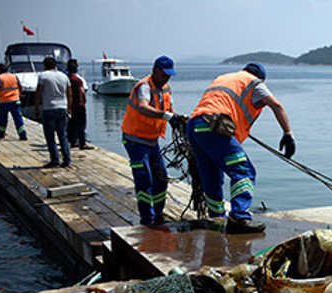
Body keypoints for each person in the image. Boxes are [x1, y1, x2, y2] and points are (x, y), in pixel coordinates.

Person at [186, 62, 295, 233]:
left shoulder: (224, 78)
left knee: (212, 176)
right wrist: (288, 134)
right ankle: (238, 217)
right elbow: (277, 105)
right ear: (261, 78)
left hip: (195, 127)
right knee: (244, 171)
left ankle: (216, 218)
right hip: (214, 127)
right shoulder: (255, 83)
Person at [120, 56, 181, 225]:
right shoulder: (144, 87)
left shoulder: (166, 88)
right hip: (135, 140)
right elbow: (143, 106)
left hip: (152, 141)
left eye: (169, 75)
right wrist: (165, 116)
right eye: (163, 75)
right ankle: (147, 218)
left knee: (161, 178)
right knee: (144, 179)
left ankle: (159, 213)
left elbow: (169, 109)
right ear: (155, 71)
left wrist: (178, 118)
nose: (166, 78)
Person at [35, 57, 72, 167]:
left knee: (50, 136)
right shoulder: (64, 76)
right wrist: (69, 108)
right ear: (55, 65)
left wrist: (36, 107)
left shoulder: (43, 76)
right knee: (63, 135)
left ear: (45, 65)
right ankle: (67, 159)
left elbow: (38, 93)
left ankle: (55, 160)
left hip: (49, 108)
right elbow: (69, 94)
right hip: (62, 107)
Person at [0, 63, 27, 141]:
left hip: (4, 102)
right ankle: (22, 134)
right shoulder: (14, 76)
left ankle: (1, 133)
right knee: (18, 119)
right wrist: (18, 95)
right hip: (15, 101)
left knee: (2, 119)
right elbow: (20, 87)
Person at [66, 59, 92, 150]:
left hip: (70, 104)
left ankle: (72, 141)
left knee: (72, 124)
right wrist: (83, 102)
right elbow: (82, 91)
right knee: (81, 124)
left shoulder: (66, 79)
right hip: (78, 104)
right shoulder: (78, 80)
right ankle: (82, 143)